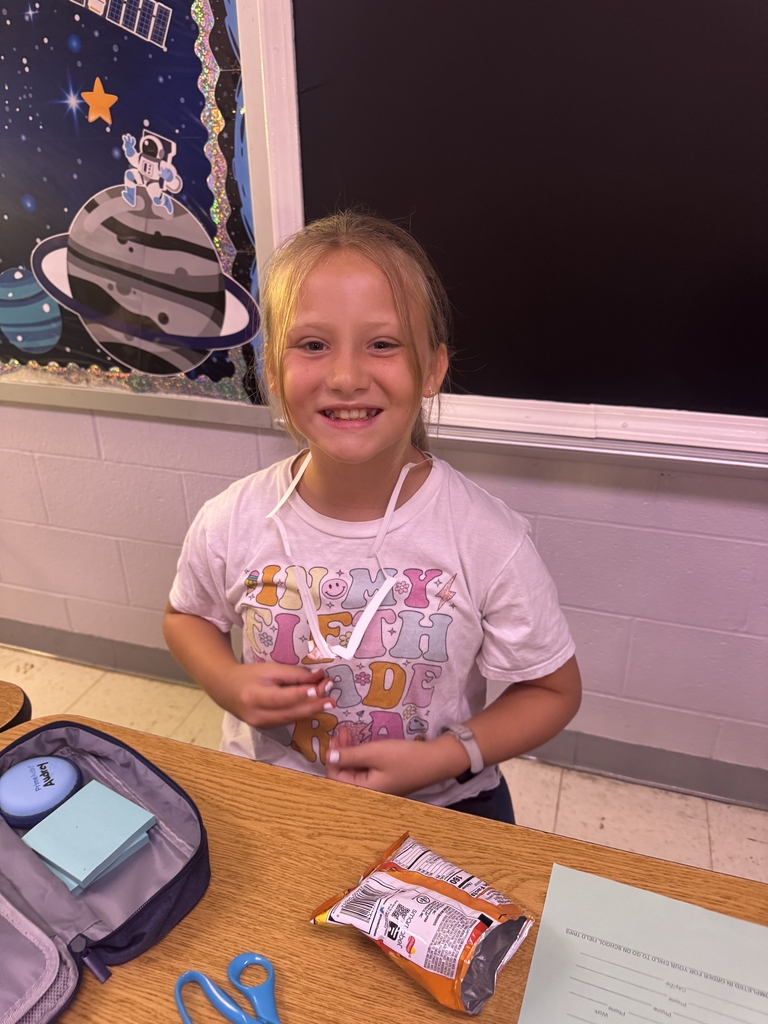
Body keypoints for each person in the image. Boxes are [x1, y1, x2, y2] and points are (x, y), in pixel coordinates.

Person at [163, 212, 581, 824]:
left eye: (382, 344)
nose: (346, 377)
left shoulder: (486, 538)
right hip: (276, 797)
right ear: (274, 371)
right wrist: (228, 682)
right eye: (312, 345)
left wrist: (443, 757)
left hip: (445, 805)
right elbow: (185, 619)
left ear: (433, 369)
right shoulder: (232, 519)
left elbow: (553, 691)